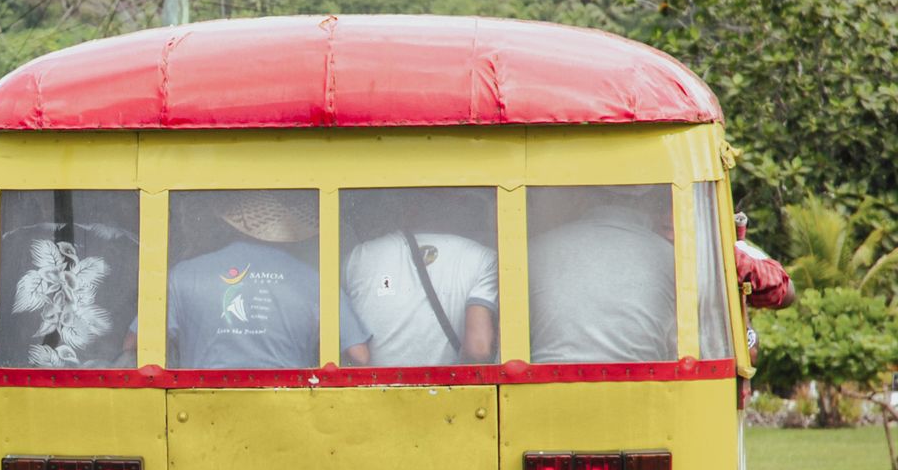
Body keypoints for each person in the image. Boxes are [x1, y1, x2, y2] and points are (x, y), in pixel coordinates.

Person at [167, 192, 371, 368]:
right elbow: (359, 355)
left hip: (200, 406)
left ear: (228, 225)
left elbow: (139, 342)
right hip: (290, 404)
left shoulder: (184, 274)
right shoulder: (314, 279)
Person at [529, 188, 677, 363]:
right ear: (648, 207)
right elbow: (679, 345)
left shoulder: (534, 249)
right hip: (644, 382)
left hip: (542, 383)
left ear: (584, 200)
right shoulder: (669, 256)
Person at [342, 199, 498, 366]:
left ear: (405, 213)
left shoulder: (359, 256)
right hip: (450, 386)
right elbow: (479, 350)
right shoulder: (485, 258)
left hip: (371, 388)